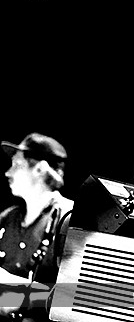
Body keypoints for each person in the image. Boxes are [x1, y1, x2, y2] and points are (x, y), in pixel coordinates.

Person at [0, 133, 72, 322]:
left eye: (17, 165)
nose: (8, 173)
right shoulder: (8, 218)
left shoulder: (69, 221)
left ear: (40, 169)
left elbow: (82, 297)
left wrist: (17, 293)